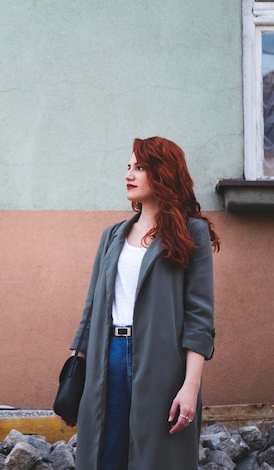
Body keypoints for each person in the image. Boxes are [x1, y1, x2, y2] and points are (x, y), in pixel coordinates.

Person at [63, 136, 220, 470]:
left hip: (162, 362)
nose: (128, 175)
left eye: (139, 167)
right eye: (128, 167)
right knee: (106, 452)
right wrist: (73, 378)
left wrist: (190, 387)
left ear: (162, 173)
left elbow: (199, 318)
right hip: (108, 357)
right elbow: (91, 310)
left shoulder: (192, 233)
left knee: (153, 457)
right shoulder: (112, 235)